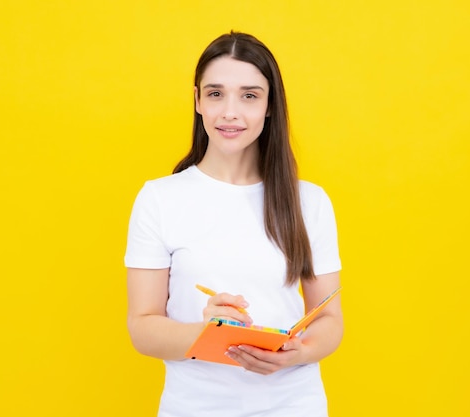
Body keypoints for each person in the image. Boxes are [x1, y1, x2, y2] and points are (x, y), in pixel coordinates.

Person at [125, 31, 343, 417]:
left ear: (269, 105)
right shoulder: (159, 198)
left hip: (294, 405)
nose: (230, 112)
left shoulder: (310, 201)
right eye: (215, 94)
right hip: (194, 407)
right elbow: (143, 327)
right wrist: (209, 332)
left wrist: (298, 353)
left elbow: (329, 320)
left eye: (249, 95)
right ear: (197, 101)